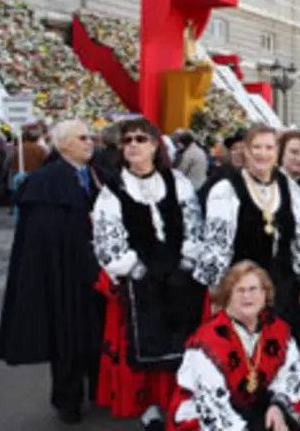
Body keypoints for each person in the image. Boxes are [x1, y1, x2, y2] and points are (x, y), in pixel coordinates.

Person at [91, 117, 206, 428]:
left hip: (179, 276)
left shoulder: (176, 181)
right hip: (140, 279)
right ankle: (151, 406)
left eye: (140, 139)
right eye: (127, 141)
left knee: (182, 342)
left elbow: (194, 224)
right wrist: (137, 270)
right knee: (147, 344)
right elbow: (107, 238)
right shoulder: (113, 190)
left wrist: (186, 262)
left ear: (155, 146)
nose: (132, 145)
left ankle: (181, 401)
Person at [0, 119, 104, 424]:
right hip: (63, 271)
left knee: (97, 332)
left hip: (97, 270)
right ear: (64, 143)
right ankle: (68, 400)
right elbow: (41, 236)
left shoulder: (98, 175)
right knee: (67, 338)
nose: (89, 142)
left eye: (90, 137)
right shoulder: (45, 182)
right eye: (82, 138)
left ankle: (98, 390)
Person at [194, 125, 300, 364]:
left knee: (279, 345)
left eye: (268, 147)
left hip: (282, 282)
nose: (262, 153)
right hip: (242, 285)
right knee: (243, 348)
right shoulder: (226, 189)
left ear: (277, 152)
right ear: (245, 150)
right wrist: (216, 287)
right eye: (256, 147)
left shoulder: (289, 187)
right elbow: (217, 242)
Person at [167, 260, 300, 431]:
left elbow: (292, 372)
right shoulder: (206, 341)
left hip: (255, 406)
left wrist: (277, 407)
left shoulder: (277, 329)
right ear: (227, 297)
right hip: (211, 414)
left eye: (253, 289)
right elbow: (212, 405)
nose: (247, 296)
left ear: (265, 294)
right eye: (240, 290)